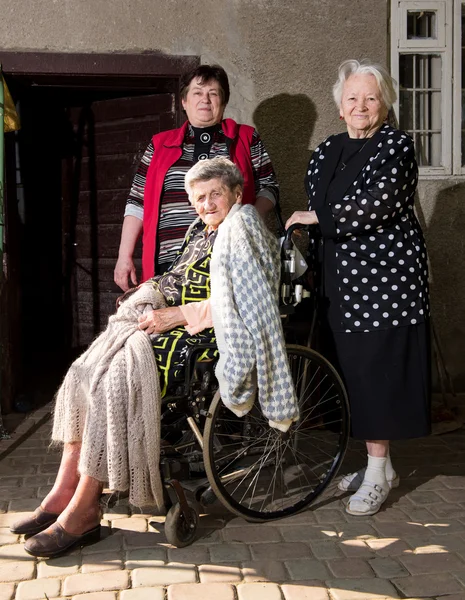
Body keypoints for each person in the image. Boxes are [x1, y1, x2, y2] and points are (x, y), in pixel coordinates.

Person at [11, 158, 297, 557]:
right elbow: (175, 277)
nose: (207, 203)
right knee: (82, 371)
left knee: (112, 381)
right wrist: (147, 296)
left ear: (235, 193)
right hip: (169, 323)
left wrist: (178, 314)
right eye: (199, 197)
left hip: (206, 336)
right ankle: (63, 492)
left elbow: (251, 302)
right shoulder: (202, 230)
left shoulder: (243, 228)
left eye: (216, 193)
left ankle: (85, 506)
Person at [285, 59, 431, 516]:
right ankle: (378, 468)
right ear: (340, 106)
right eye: (353, 98)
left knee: (375, 375)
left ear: (384, 103)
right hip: (338, 280)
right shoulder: (328, 149)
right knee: (351, 375)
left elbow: (379, 204)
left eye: (371, 97)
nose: (361, 105)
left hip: (384, 281)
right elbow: (318, 198)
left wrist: (316, 219)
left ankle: (376, 471)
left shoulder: (397, 146)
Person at [114, 64, 279, 290]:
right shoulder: (159, 144)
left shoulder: (246, 138)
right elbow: (137, 202)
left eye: (213, 93)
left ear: (224, 101)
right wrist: (125, 256)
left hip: (228, 258)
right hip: (167, 261)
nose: (206, 100)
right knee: (164, 322)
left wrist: (244, 223)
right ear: (184, 101)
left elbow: (268, 189)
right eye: (198, 93)